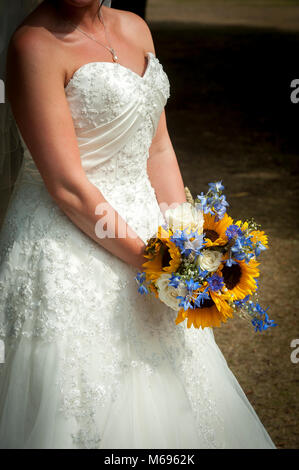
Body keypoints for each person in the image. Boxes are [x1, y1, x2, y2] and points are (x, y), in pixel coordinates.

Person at [0, 0, 275, 449]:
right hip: (67, 242)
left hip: (147, 225)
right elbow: (68, 187)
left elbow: (158, 147)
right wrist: (159, 260)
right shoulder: (34, 45)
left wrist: (189, 241)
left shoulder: (135, 28)